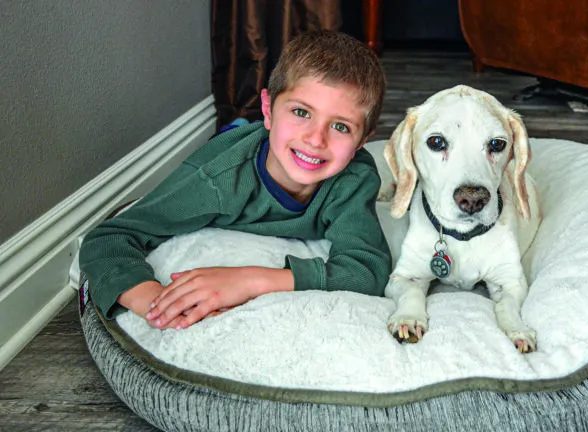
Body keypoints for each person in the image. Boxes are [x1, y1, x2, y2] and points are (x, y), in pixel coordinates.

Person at [79, 30, 390, 330]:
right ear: (268, 109)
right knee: (234, 135)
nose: (315, 139)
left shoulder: (354, 178)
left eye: (341, 127)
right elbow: (109, 239)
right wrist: (161, 306)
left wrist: (251, 280)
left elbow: (366, 271)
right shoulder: (215, 180)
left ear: (362, 141)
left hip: (271, 147)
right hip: (237, 149)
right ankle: (239, 127)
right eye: (301, 112)